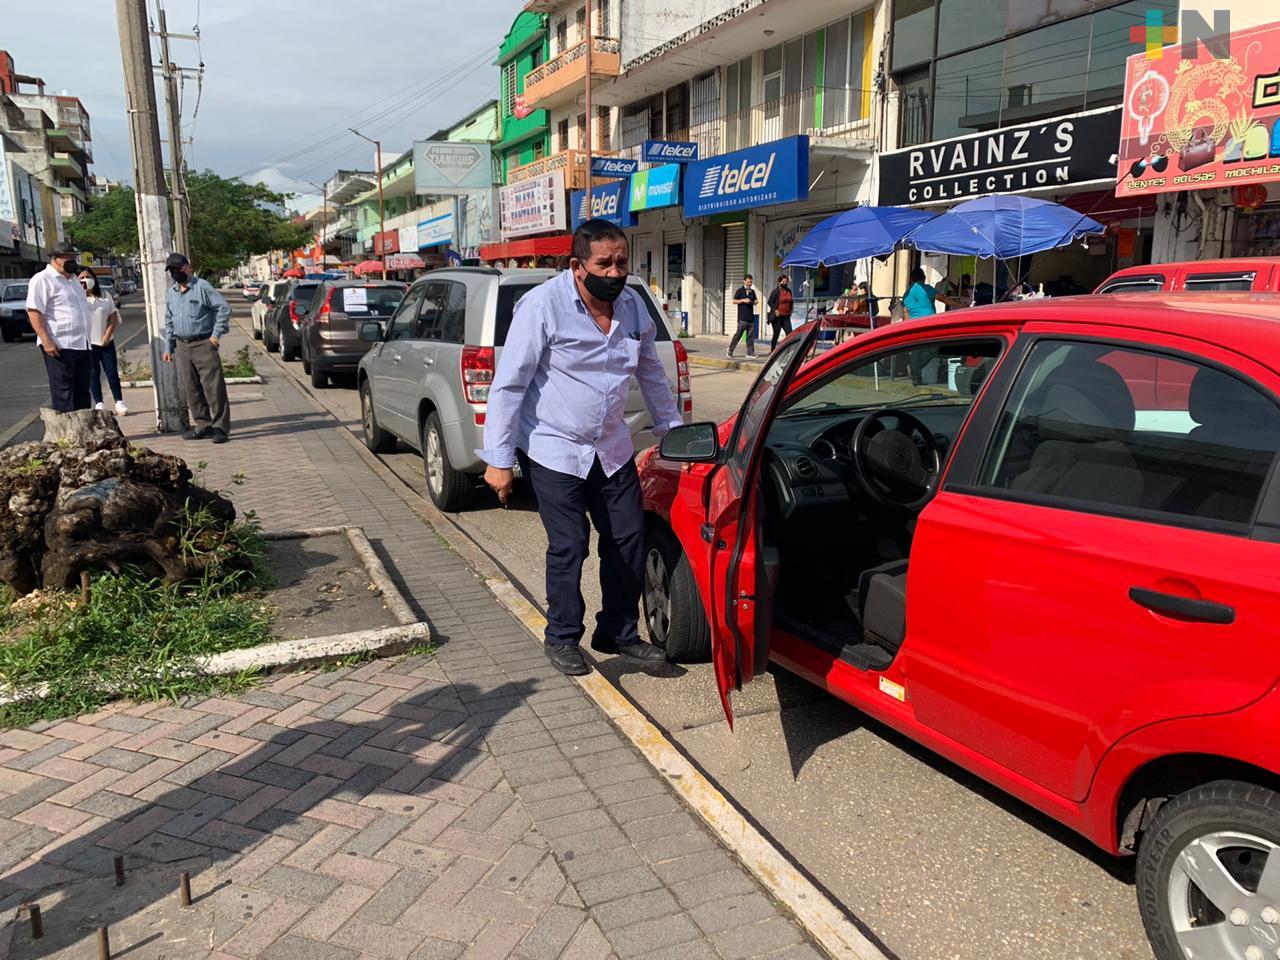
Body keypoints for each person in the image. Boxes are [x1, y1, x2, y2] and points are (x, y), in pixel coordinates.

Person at [478, 219, 683, 677]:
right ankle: (562, 636)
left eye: (622, 262)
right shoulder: (543, 307)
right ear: (576, 266)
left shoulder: (632, 307)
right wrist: (499, 459)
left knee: (627, 540)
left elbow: (651, 372)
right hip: (554, 446)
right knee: (570, 545)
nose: (614, 272)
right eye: (603, 263)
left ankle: (617, 632)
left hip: (610, 447)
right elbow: (509, 385)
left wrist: (672, 430)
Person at [162, 252, 232, 443]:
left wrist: (216, 335)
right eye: (172, 271)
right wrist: (168, 347)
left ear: (188, 267)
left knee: (213, 387)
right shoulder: (171, 293)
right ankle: (203, 425)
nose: (175, 273)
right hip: (182, 345)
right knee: (191, 388)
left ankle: (220, 427)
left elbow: (223, 308)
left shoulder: (202, 287)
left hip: (203, 343)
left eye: (178, 269)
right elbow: (169, 321)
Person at [25, 241, 92, 413]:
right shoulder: (42, 279)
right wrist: (46, 341)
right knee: (64, 393)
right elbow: (34, 312)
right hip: (60, 344)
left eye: (73, 257)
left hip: (82, 344)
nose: (72, 261)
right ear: (55, 258)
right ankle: (68, 436)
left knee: (82, 391)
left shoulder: (74, 281)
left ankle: (84, 433)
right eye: (68, 258)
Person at [79, 270, 127, 415]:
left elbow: (113, 317)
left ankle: (119, 401)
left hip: (106, 341)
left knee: (112, 372)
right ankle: (99, 402)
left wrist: (107, 335)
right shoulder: (78, 298)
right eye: (82, 277)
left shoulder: (105, 296)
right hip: (88, 343)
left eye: (88, 277)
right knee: (93, 373)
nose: (86, 280)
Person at [727, 274, 758, 359]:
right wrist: (743, 300)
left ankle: (750, 353)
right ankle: (730, 350)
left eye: (751, 282)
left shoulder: (752, 291)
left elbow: (755, 300)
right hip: (742, 318)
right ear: (744, 281)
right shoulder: (739, 291)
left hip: (751, 317)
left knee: (750, 336)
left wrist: (755, 302)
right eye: (748, 282)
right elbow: (734, 301)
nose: (749, 283)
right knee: (738, 335)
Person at [765, 274, 794, 351]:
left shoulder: (789, 291)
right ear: (779, 282)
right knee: (776, 334)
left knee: (789, 333)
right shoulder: (776, 291)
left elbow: (791, 301)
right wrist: (775, 310)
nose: (784, 283)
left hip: (786, 316)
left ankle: (788, 350)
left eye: (786, 281)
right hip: (777, 317)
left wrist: (791, 310)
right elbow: (770, 302)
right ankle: (773, 350)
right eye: (783, 281)